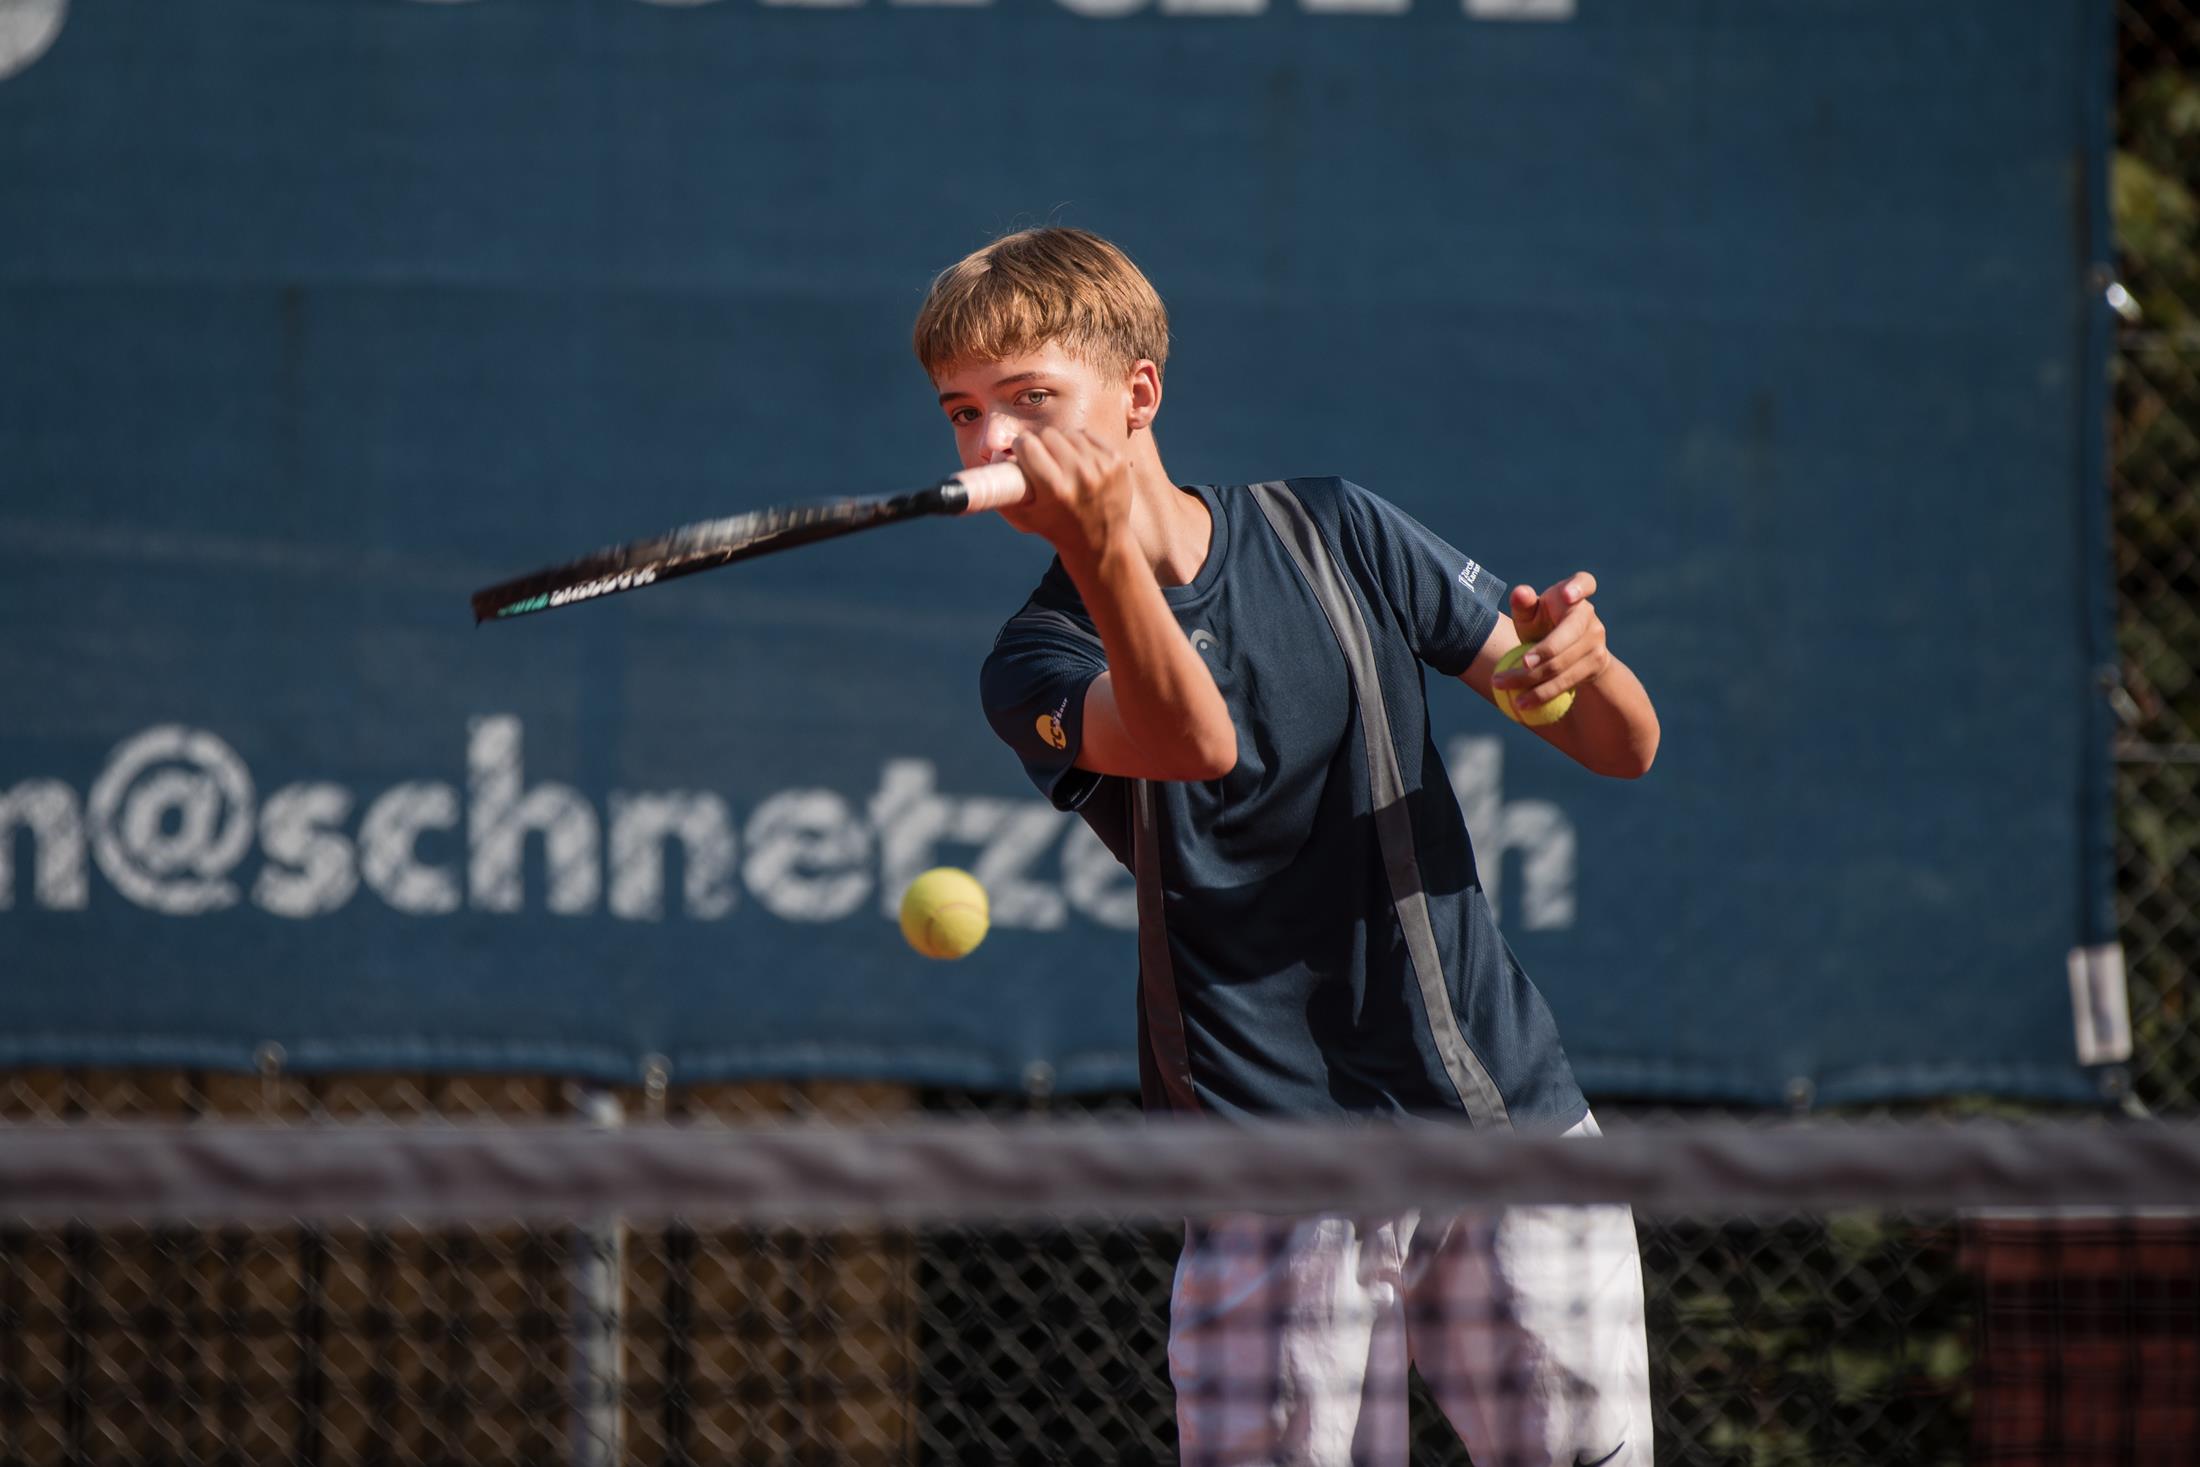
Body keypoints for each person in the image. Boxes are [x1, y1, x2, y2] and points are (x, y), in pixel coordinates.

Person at [914, 226, 1659, 1467]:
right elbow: (1192, 740)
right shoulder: (1034, 661)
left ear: (1138, 394)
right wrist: (1102, 555)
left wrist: (1582, 668)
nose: (994, 442)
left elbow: (1618, 744)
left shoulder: (1335, 531)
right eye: (962, 413)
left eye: (1030, 398)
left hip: (1503, 1114)